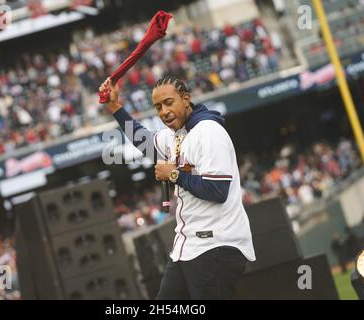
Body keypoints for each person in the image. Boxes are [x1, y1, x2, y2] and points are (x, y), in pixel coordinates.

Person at [99, 76, 255, 300]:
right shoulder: (176, 135)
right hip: (188, 247)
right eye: (158, 107)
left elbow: (217, 191)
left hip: (216, 246)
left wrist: (173, 174)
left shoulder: (208, 132)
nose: (163, 111)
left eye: (169, 103)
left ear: (186, 99)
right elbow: (145, 142)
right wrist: (115, 106)